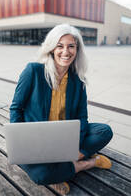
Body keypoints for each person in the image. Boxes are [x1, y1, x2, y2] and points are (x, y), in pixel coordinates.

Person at [10, 23, 113, 195]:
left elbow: (82, 118)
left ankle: (62, 164)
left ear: (77, 49)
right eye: (60, 46)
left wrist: (73, 147)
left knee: (104, 131)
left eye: (71, 46)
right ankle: (86, 164)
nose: (66, 52)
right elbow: (16, 108)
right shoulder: (33, 71)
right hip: (35, 141)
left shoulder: (78, 81)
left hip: (64, 139)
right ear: (51, 48)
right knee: (40, 176)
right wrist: (19, 142)